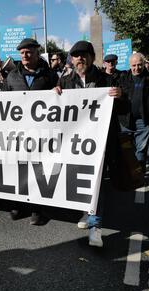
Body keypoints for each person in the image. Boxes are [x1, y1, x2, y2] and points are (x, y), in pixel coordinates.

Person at [54, 40, 126, 247]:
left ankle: (96, 226)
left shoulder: (107, 79)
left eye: (84, 55)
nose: (80, 59)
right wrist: (54, 95)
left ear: (92, 57)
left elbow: (125, 109)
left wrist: (120, 97)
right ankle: (85, 213)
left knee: (96, 185)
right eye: (76, 55)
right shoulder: (66, 81)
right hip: (75, 144)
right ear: (72, 59)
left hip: (99, 145)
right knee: (79, 181)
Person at [3, 38, 58, 226]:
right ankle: (19, 204)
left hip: (41, 132)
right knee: (19, 168)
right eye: (22, 53)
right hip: (19, 132)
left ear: (37, 53)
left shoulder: (50, 75)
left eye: (29, 52)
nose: (25, 56)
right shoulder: (12, 76)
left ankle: (37, 208)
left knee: (38, 170)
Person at [119, 52, 149, 172]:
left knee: (141, 151)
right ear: (129, 65)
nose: (136, 68)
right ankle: (128, 174)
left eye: (139, 65)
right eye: (133, 65)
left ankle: (139, 174)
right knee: (126, 150)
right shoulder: (123, 78)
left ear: (144, 64)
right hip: (125, 121)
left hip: (144, 122)